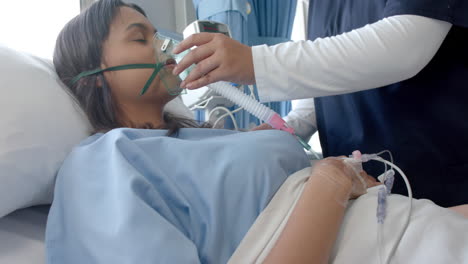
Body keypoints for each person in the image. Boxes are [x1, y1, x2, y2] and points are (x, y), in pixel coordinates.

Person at [46, 0, 386, 263]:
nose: (166, 45)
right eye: (140, 38)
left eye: (158, 34)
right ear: (91, 75)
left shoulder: (199, 138)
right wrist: (331, 182)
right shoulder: (100, 164)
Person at [172, 0, 468, 207]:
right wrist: (295, 124)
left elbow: (405, 48)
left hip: (436, 172)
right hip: (356, 184)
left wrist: (255, 62)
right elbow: (336, 72)